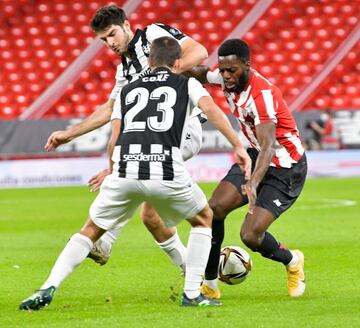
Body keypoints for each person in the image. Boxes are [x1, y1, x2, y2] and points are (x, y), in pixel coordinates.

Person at [19, 36, 251, 310]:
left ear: (149, 61)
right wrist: (237, 146)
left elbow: (114, 137)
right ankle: (192, 293)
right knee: (204, 218)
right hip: (164, 170)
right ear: (178, 63)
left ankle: (47, 287)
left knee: (90, 230)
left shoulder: (128, 88)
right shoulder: (186, 82)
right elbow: (212, 110)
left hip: (125, 170)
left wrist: (111, 169)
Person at [45, 4, 209, 270]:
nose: (110, 43)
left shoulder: (154, 35)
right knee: (151, 217)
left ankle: (106, 239)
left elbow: (199, 51)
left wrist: (161, 75)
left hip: (184, 130)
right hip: (158, 139)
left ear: (126, 25)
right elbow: (111, 109)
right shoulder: (124, 70)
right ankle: (193, 274)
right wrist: (69, 135)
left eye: (112, 34)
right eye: (103, 39)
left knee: (129, 174)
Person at [188, 39, 308, 298]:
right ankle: (210, 285)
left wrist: (253, 183)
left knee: (251, 235)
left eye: (232, 70)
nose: (226, 76)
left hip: (285, 165)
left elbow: (269, 147)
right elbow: (197, 72)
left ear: (247, 66)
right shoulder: (225, 78)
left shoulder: (262, 95)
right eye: (222, 70)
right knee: (213, 210)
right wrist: (168, 69)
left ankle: (293, 262)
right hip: (256, 156)